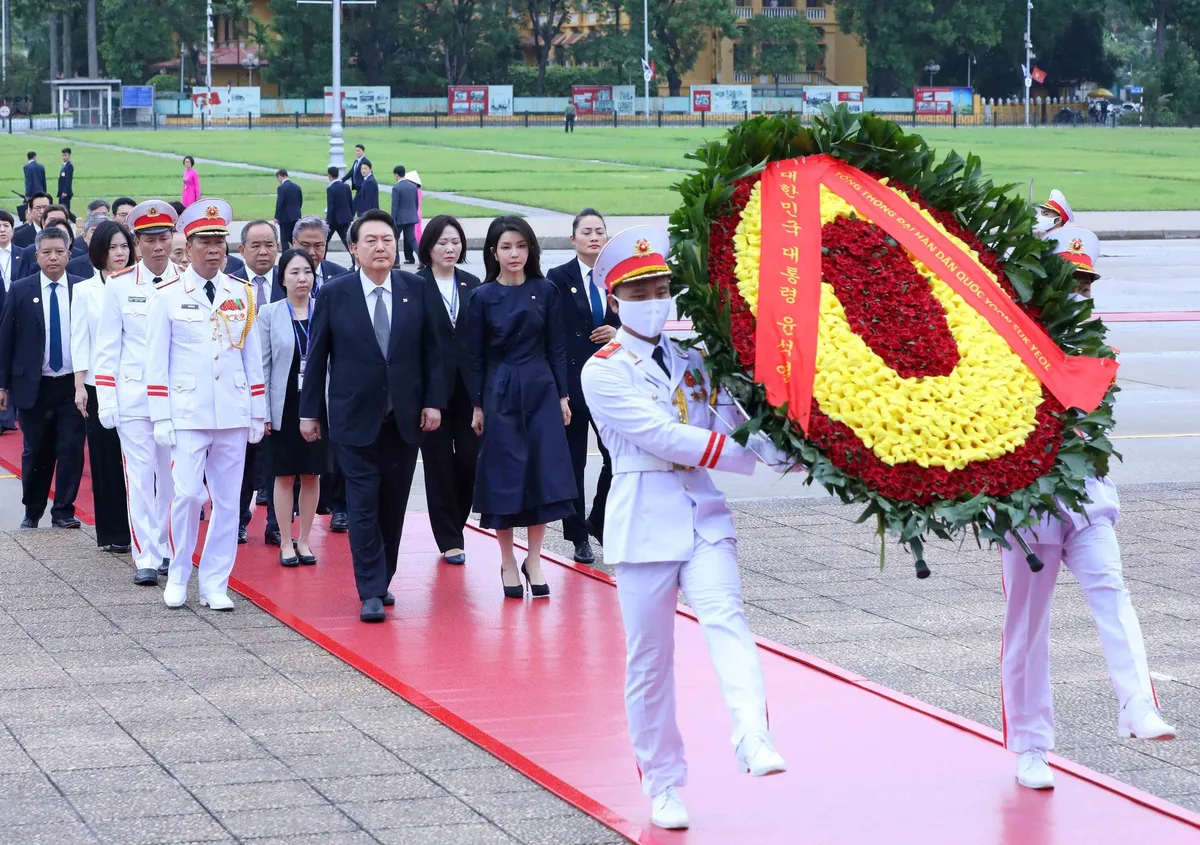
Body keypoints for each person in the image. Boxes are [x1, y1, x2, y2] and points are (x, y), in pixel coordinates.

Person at [580, 226, 787, 830]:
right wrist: (749, 455)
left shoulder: (694, 358)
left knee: (727, 617)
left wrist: (788, 449)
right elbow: (662, 436)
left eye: (661, 286)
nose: (654, 297)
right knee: (650, 658)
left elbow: (731, 415)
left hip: (702, 510)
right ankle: (664, 782)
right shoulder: (604, 369)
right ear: (614, 300)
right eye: (639, 289)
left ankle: (752, 734)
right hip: (644, 515)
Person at [1001, 225, 1175, 791]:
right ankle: (1029, 747)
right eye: (1066, 277)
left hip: (1087, 499)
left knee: (1113, 594)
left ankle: (1136, 705)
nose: (1077, 289)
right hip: (1027, 508)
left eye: (1084, 280)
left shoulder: (1097, 344)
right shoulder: (1007, 338)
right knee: (1026, 630)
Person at [299, 208, 444, 623]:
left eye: (387, 240)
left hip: (403, 419)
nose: (381, 247)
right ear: (354, 249)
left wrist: (433, 402)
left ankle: (383, 578)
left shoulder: (415, 288)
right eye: (371, 241)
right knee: (362, 505)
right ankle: (369, 589)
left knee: (392, 504)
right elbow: (317, 355)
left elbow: (432, 353)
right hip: (352, 418)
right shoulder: (335, 293)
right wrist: (309, 412)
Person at [146, 198, 266, 611]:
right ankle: (178, 573)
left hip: (231, 411)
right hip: (187, 411)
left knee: (229, 502)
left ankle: (215, 582)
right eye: (204, 242)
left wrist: (257, 411)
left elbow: (252, 356)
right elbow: (155, 360)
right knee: (187, 497)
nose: (213, 249)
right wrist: (160, 414)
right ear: (189, 245)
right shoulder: (167, 295)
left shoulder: (242, 292)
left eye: (219, 242)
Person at [467, 216, 575, 599]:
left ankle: (535, 558)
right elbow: (474, 357)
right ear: (493, 252)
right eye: (506, 247)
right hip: (500, 390)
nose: (514, 254)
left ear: (531, 250)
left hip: (541, 388)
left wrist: (562, 395)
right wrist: (477, 405)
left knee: (540, 473)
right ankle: (508, 560)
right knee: (504, 475)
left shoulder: (545, 291)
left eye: (521, 246)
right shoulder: (481, 297)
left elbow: (556, 347)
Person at [92, 200, 181, 585]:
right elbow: (107, 346)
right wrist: (106, 398)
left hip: (177, 399)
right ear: (137, 243)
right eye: (149, 240)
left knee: (173, 480)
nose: (158, 247)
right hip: (134, 398)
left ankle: (166, 547)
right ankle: (145, 554)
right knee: (141, 477)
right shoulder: (122, 284)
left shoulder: (187, 280)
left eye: (164, 238)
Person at [0, 227, 88, 529]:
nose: (53, 257)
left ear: (68, 254)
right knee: (35, 451)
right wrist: (2, 384)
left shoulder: (83, 289)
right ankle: (33, 510)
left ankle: (63, 510)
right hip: (33, 386)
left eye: (59, 252)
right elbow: (6, 339)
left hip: (72, 386)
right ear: (36, 255)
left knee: (71, 448)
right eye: (46, 252)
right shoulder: (21, 289)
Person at [548, 208, 618, 563]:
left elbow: (640, 323)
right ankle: (578, 537)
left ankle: (598, 520)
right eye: (587, 231)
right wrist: (558, 391)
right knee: (574, 463)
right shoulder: (557, 277)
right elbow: (553, 336)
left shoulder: (620, 278)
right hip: (572, 384)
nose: (594, 237)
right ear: (573, 238)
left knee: (616, 457)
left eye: (600, 231)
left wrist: (617, 331)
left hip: (610, 383)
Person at [417, 216, 480, 565]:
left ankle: (455, 524)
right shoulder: (414, 285)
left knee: (471, 459)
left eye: (455, 241)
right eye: (442, 242)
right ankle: (450, 538)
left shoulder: (472, 284)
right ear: (428, 247)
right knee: (439, 464)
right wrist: (427, 400)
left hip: (469, 392)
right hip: (432, 394)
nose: (450, 248)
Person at [260, 248, 328, 567]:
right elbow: (263, 365)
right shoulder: (269, 313)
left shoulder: (325, 309)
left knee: (312, 474)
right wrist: (262, 411)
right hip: (283, 403)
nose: (302, 278)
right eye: (295, 272)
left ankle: (304, 540)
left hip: (317, 402)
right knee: (285, 475)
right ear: (282, 278)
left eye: (308, 272)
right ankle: (285, 541)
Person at [70, 220, 134, 555]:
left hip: (136, 384)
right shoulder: (84, 291)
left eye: (124, 246)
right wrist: (80, 385)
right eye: (113, 247)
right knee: (106, 458)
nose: (120, 253)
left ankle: (141, 529)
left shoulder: (141, 284)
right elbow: (80, 340)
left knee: (137, 461)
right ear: (99, 252)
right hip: (99, 385)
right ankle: (113, 532)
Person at [235, 220, 282, 546]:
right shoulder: (230, 286)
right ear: (242, 250)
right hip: (241, 388)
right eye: (256, 246)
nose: (264, 251)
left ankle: (279, 525)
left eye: (269, 245)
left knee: (281, 461)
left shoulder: (291, 281)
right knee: (242, 461)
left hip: (281, 387)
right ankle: (237, 520)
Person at [276, 217, 345, 299]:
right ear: (294, 243)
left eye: (318, 246)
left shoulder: (340, 274)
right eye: (305, 245)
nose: (311, 252)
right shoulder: (279, 275)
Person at [0, 211, 20, 433]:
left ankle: (12, 414)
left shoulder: (23, 254)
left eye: (6, 225)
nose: (2, 229)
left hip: (17, 316)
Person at [65, 212, 110, 278]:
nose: (99, 235)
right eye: (93, 231)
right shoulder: (72, 266)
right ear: (84, 236)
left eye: (104, 230)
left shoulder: (121, 263)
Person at [391, 166, 419, 265]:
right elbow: (416, 203)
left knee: (394, 239)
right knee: (412, 239)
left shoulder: (396, 188)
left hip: (399, 219)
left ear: (396, 175)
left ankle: (396, 262)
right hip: (411, 218)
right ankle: (423, 259)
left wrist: (392, 220)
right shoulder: (413, 187)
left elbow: (395, 206)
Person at [325, 166, 353, 255]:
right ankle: (355, 260)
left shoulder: (330, 189)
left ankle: (322, 261)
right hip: (345, 218)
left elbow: (331, 206)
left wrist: (328, 222)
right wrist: (350, 215)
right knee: (347, 241)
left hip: (334, 221)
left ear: (329, 176)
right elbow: (350, 203)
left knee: (325, 241)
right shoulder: (346, 187)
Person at [274, 169, 303, 250]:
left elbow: (279, 203)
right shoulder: (297, 187)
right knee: (294, 237)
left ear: (280, 176)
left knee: (284, 239)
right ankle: (298, 251)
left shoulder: (281, 188)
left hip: (285, 217)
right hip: (296, 216)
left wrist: (276, 216)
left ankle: (286, 256)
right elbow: (300, 201)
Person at [406, 171, 424, 243]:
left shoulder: (414, 191)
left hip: (414, 213)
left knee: (414, 233)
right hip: (418, 212)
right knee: (418, 231)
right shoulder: (419, 190)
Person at [58, 149, 74, 215]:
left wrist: (65, 192)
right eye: (62, 155)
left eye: (65, 155)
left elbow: (68, 180)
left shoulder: (69, 166)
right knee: (62, 210)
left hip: (65, 193)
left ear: (69, 156)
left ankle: (78, 221)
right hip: (61, 192)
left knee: (66, 211)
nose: (64, 157)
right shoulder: (64, 165)